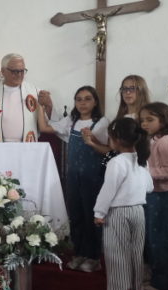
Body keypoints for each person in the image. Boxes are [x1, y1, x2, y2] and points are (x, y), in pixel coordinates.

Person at [37, 86, 109, 272]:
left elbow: (109, 149)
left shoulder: (102, 122)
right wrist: (39, 106)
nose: (83, 103)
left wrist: (92, 140)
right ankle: (79, 253)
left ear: (95, 102)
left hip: (92, 177)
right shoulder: (71, 120)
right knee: (75, 216)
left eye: (87, 99)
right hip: (73, 177)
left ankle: (93, 257)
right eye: (79, 99)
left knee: (90, 216)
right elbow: (44, 127)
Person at [93, 118, 153, 290]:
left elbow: (108, 190)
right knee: (136, 253)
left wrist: (99, 212)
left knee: (117, 254)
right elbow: (150, 187)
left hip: (118, 213)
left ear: (115, 139)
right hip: (138, 211)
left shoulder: (116, 162)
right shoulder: (142, 160)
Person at [139, 102, 168, 290]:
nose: (144, 124)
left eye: (150, 119)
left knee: (163, 240)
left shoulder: (166, 141)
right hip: (156, 195)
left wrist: (144, 172)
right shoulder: (153, 140)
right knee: (153, 239)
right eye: (142, 120)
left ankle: (167, 285)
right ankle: (158, 278)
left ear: (163, 120)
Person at [0, 54, 58, 142]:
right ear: (3, 71)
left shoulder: (35, 93)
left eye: (22, 71)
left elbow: (49, 124)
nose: (20, 75)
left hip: (27, 146)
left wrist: (49, 105)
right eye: (15, 71)